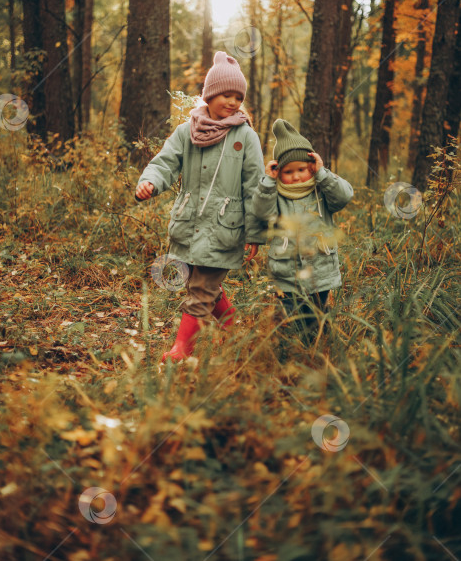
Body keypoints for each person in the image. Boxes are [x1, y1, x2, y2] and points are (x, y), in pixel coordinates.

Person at [135, 51, 265, 362]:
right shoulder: (187, 131)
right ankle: (235, 332)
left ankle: (182, 350)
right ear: (209, 94)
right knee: (203, 285)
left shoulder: (245, 137)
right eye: (226, 94)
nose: (233, 102)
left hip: (225, 229)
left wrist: (256, 231)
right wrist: (151, 181)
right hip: (189, 224)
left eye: (238, 96)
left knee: (200, 290)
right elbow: (165, 162)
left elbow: (256, 187)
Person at [252, 119, 353, 354]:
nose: (296, 177)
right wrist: (267, 182)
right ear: (278, 172)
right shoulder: (276, 193)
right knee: (291, 315)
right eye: (288, 172)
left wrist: (323, 174)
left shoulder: (322, 189)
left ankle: (318, 349)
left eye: (301, 169)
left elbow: (345, 196)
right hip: (286, 269)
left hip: (320, 267)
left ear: (312, 166)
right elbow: (261, 211)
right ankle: (290, 352)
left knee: (316, 314)